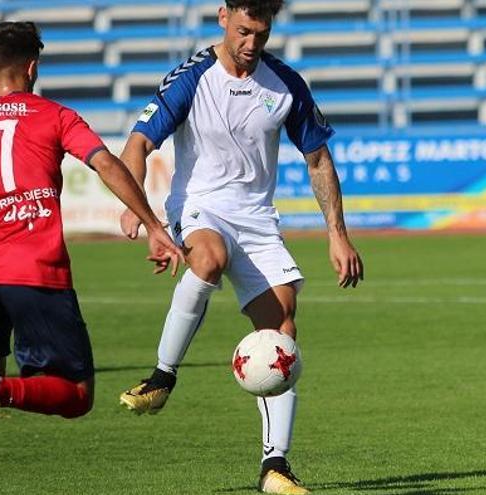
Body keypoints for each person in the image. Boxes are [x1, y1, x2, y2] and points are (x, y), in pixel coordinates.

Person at [0, 21, 183, 495]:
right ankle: (3, 391)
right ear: (32, 67)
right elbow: (104, 163)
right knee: (76, 396)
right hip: (37, 276)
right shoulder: (55, 116)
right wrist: (154, 227)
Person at [116, 1, 364, 493]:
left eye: (262, 35)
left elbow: (317, 158)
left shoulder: (285, 84)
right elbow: (139, 144)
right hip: (200, 206)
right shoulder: (191, 77)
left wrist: (337, 232)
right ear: (223, 17)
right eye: (245, 31)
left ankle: (275, 466)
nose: (252, 44)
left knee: (282, 335)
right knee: (208, 259)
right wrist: (139, 211)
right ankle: (163, 376)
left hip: (257, 220)